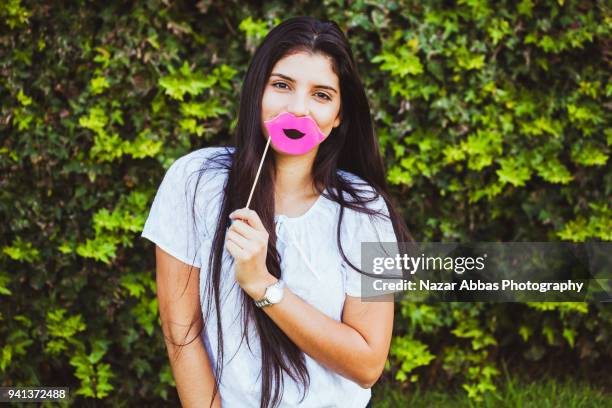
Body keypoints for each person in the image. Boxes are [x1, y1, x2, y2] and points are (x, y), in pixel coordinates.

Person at [141, 16, 413, 408]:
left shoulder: (365, 209)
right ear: (257, 92)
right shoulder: (194, 181)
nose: (298, 108)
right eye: (282, 85)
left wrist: (263, 286)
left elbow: (368, 363)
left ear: (338, 115)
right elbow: (180, 329)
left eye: (321, 95)